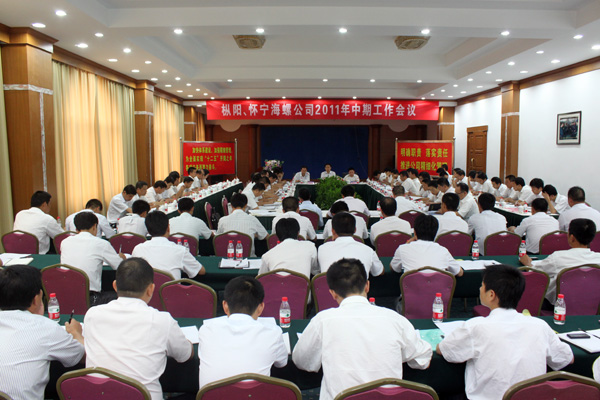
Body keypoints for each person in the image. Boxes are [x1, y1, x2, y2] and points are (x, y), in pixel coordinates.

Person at [292, 258, 432, 400]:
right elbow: (423, 358)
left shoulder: (322, 321)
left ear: (332, 293)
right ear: (367, 286)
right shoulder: (394, 319)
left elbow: (302, 360)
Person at [437, 264, 573, 400]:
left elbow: (443, 349)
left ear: (491, 295)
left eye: (482, 286)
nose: (479, 289)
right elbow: (567, 358)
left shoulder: (476, 326)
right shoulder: (540, 326)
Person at [84, 258, 194, 400]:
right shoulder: (163, 320)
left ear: (115, 286)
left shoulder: (92, 314)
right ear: (151, 289)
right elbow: (185, 355)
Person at [198, 276, 287, 388]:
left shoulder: (206, 329)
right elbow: (282, 363)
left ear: (225, 306)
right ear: (260, 308)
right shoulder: (273, 333)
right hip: (255, 395)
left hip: (212, 396)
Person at [520, 218, 600, 304]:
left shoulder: (558, 257)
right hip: (593, 304)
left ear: (572, 238)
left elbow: (536, 273)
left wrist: (528, 264)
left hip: (558, 305)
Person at [61, 212, 125, 302]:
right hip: (90, 298)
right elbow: (120, 266)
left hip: (65, 295)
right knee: (121, 296)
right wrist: (122, 258)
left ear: (76, 228)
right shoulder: (101, 243)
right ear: (95, 226)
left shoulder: (65, 242)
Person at [132, 211, 205, 279]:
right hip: (171, 289)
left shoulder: (138, 249)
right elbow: (201, 271)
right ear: (168, 228)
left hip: (145, 288)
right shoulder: (180, 250)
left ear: (148, 231)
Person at [391, 214, 463, 276]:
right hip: (438, 288)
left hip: (411, 288)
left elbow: (394, 268)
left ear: (414, 232)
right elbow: (459, 273)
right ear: (436, 233)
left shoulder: (403, 249)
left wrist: (407, 244)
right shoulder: (443, 251)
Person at [318, 213, 384, 277]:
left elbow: (317, 271)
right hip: (359, 284)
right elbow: (379, 272)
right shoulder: (368, 250)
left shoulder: (322, 249)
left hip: (329, 284)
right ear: (355, 230)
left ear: (332, 231)